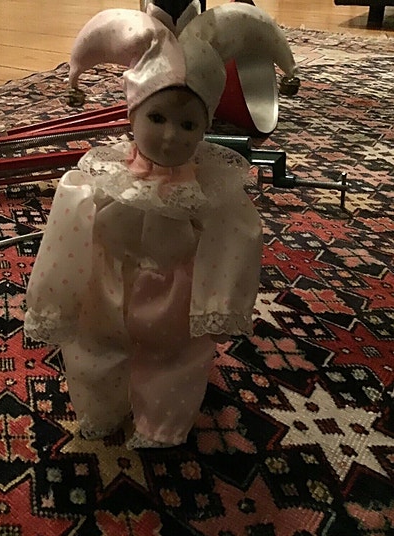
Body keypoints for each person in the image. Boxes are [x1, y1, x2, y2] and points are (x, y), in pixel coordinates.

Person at [24, 4, 297, 448]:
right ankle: (101, 408)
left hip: (176, 296)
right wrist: (55, 301)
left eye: (188, 123)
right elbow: (66, 236)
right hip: (106, 287)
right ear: (132, 116)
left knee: (176, 359)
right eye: (156, 117)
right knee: (95, 348)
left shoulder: (213, 190)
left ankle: (162, 423)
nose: (171, 135)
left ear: (205, 127)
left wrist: (221, 302)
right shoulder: (99, 178)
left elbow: (234, 240)